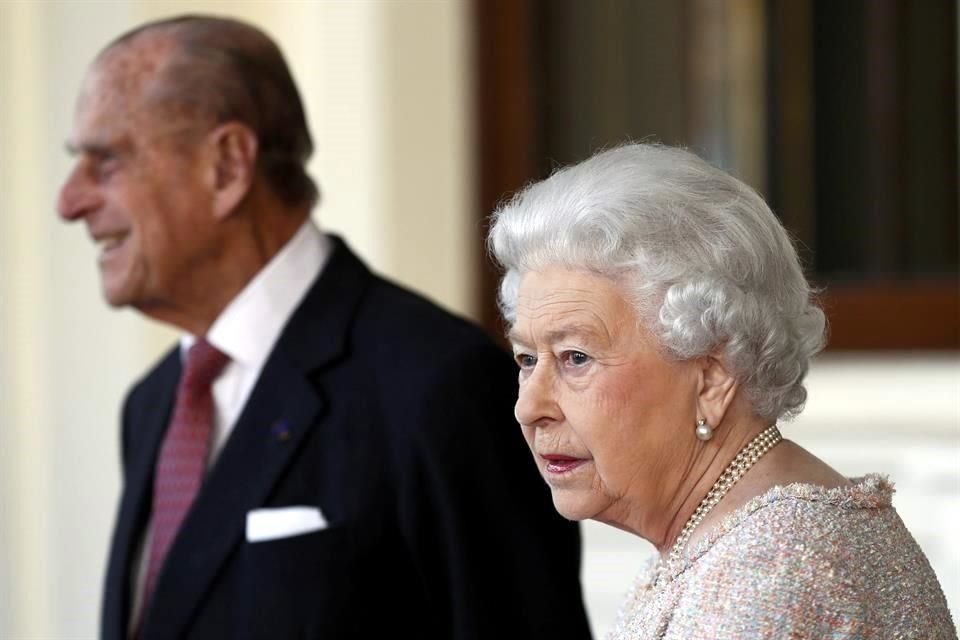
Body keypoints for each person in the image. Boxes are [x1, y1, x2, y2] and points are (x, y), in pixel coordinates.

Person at [57, 15, 591, 640]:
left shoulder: (440, 383)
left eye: (107, 160)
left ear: (227, 166)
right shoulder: (151, 407)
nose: (70, 201)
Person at [488, 143, 957, 639]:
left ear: (712, 377)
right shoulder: (730, 540)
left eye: (575, 358)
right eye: (527, 359)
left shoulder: (772, 571)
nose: (528, 407)